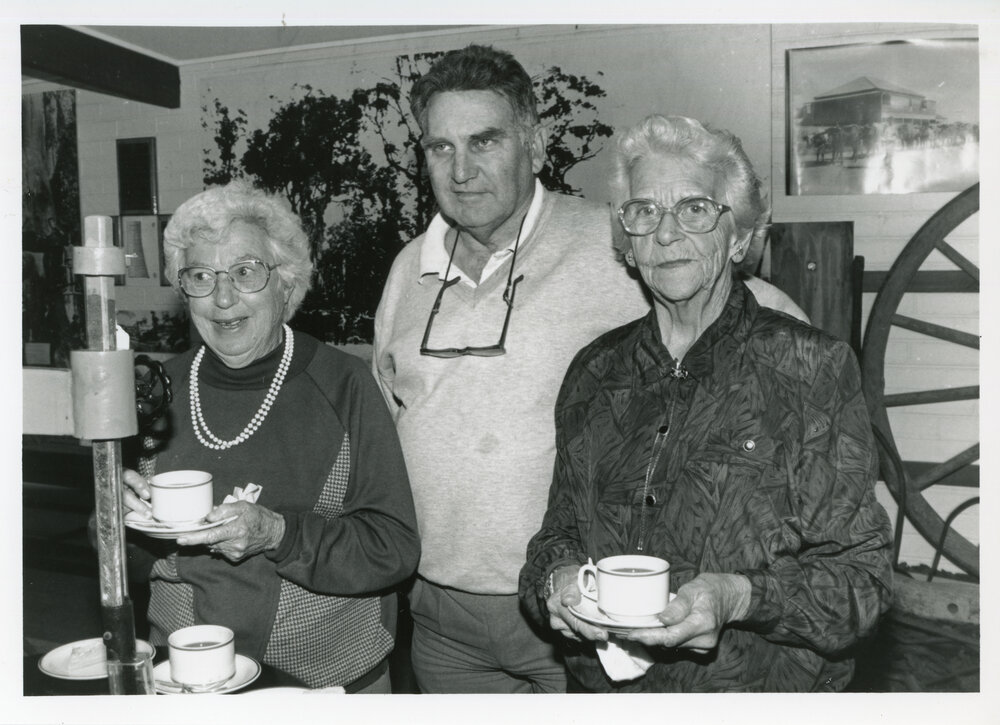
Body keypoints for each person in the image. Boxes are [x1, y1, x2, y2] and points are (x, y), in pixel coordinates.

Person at [372, 46, 807, 694]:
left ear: (534, 140)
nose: (461, 170)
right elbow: (391, 407)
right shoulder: (410, 269)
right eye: (440, 148)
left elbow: (764, 319)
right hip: (440, 615)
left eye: (484, 141)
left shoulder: (610, 245)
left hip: (582, 613)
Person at [519, 114, 894, 692]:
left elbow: (861, 584)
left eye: (694, 209)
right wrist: (557, 583)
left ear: (740, 235)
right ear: (627, 243)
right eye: (644, 212)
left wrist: (737, 597)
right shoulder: (595, 371)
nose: (666, 234)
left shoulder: (808, 368)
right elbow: (554, 536)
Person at [118, 180, 420, 693]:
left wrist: (279, 535)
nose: (223, 296)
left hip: (322, 684)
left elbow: (392, 547)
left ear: (286, 283)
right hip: (182, 679)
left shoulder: (344, 384)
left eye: (245, 271)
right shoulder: (155, 388)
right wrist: (115, 517)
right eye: (200, 275)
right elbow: (116, 557)